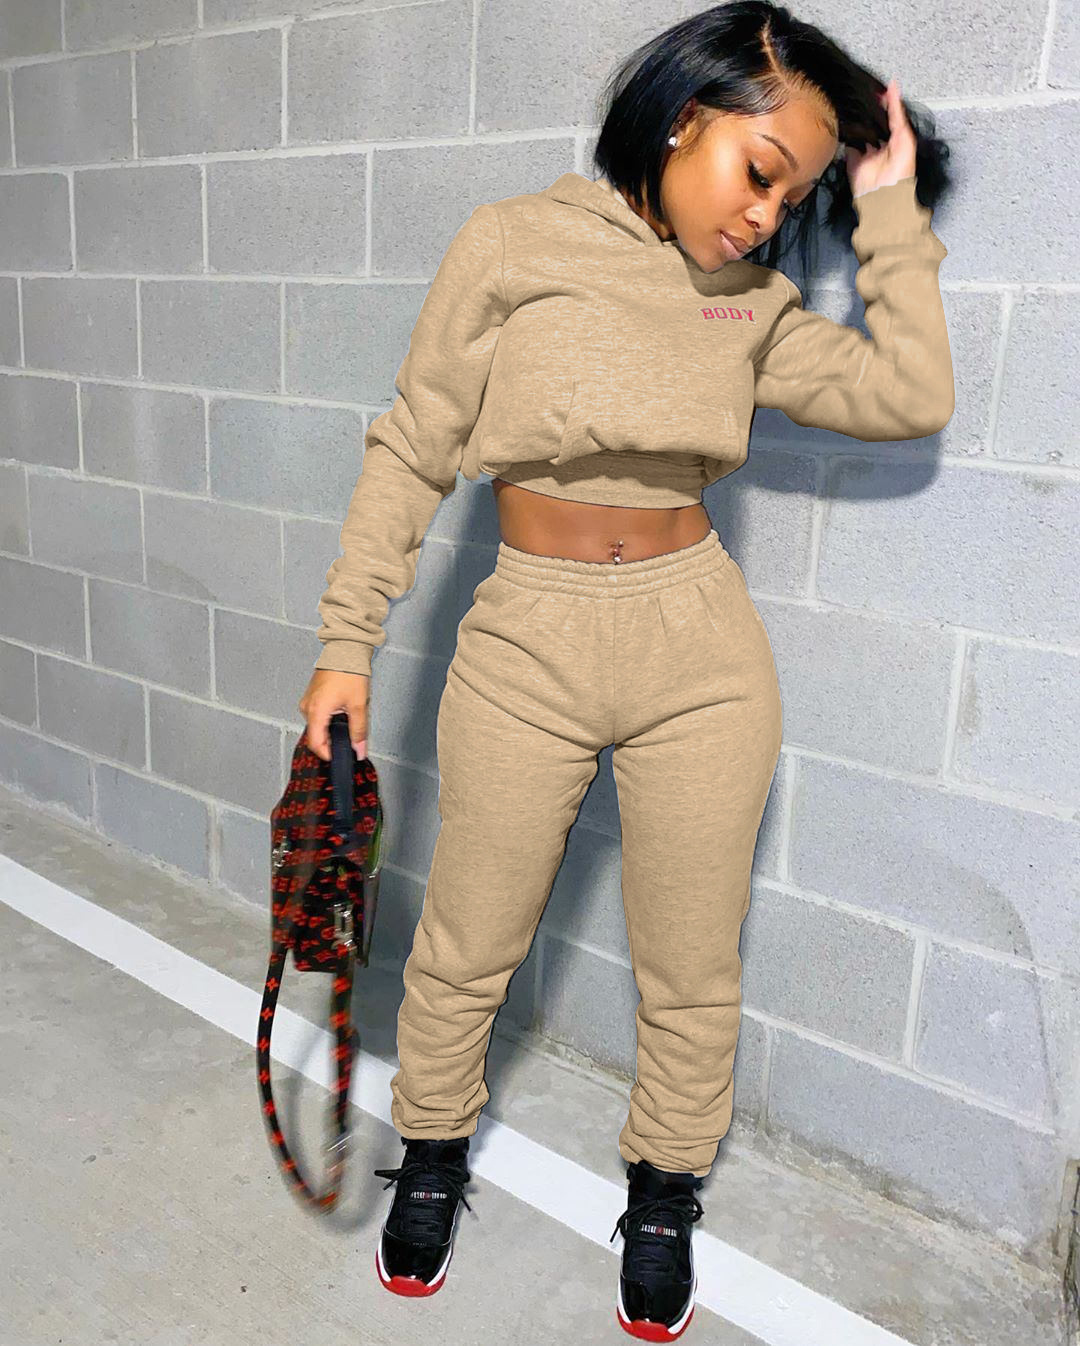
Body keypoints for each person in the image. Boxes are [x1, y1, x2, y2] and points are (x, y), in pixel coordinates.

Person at [298, 2, 954, 1337]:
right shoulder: (511, 243)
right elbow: (415, 443)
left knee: (692, 962)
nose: (769, 217)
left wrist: (887, 214)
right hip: (526, 637)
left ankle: (664, 1197)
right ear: (683, 118)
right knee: (468, 941)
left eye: (797, 198)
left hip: (697, 645)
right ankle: (433, 1153)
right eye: (761, 172)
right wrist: (346, 645)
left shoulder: (754, 305)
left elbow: (911, 397)